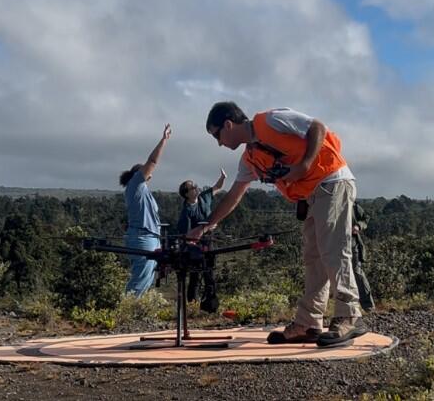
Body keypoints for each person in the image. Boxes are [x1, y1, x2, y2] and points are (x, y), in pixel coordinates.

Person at [187, 102, 366, 347]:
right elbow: (234, 194)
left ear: (228, 125)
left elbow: (317, 127)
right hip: (313, 194)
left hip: (331, 180)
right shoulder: (249, 159)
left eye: (217, 134)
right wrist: (206, 226)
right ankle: (308, 323)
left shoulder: (271, 120)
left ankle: (349, 315)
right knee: (314, 259)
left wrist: (303, 164)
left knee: (333, 251)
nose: (219, 142)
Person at [119, 124, 171, 297]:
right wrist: (164, 140)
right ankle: (127, 313)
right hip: (143, 237)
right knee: (140, 280)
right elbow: (153, 162)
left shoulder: (143, 191)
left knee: (147, 279)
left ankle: (137, 313)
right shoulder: (135, 185)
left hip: (151, 237)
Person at [177, 168, 227, 312]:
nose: (196, 188)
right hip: (195, 246)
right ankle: (192, 306)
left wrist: (223, 177)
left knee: (209, 273)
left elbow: (217, 187)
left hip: (208, 241)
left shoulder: (204, 197)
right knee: (195, 276)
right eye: (192, 187)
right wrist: (206, 228)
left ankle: (211, 306)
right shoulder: (186, 211)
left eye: (195, 185)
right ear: (186, 194)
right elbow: (186, 234)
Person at [352, 202, 376, 311]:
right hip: (333, 244)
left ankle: (368, 305)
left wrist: (358, 226)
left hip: (352, 244)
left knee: (357, 273)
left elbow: (365, 218)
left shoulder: (352, 204)